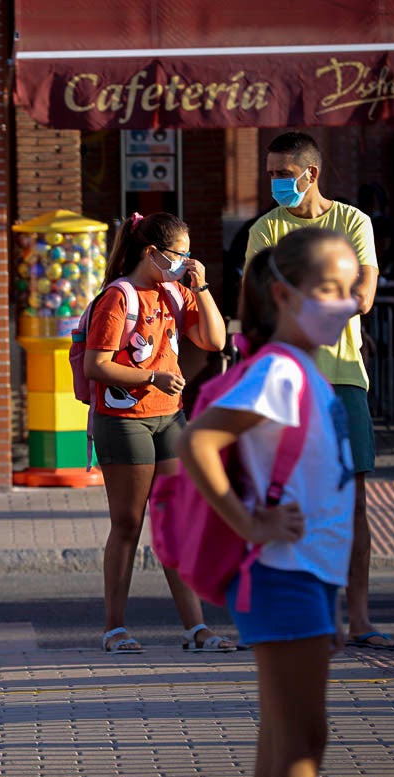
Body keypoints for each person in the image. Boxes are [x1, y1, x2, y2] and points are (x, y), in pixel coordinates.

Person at [179, 227, 360, 777]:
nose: (346, 302)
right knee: (304, 739)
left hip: (305, 575)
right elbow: (197, 443)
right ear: (284, 294)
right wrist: (249, 525)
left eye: (351, 289)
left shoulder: (305, 372)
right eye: (329, 288)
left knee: (287, 737)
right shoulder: (279, 370)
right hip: (283, 574)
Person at [244, 132, 394, 651]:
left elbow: (365, 295)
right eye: (270, 174)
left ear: (310, 174)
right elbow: (260, 305)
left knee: (352, 504)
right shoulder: (265, 229)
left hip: (342, 379)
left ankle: (360, 619)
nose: (275, 183)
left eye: (283, 173)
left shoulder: (353, 223)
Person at [84, 211, 232, 654]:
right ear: (152, 253)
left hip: (170, 417)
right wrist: (150, 378)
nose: (186, 261)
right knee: (128, 523)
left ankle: (196, 628)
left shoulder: (174, 291)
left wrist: (200, 287)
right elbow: (97, 364)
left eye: (189, 253)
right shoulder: (119, 297)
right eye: (179, 254)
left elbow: (215, 340)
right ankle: (115, 628)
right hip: (123, 420)